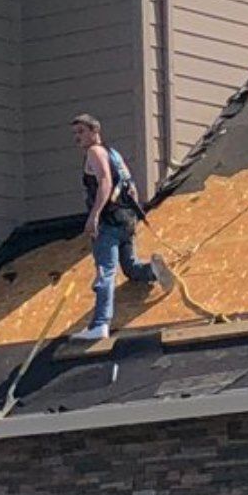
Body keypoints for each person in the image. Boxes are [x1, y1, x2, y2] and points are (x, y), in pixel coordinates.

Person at [70, 113, 173, 341]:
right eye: (75, 133)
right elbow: (131, 186)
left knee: (105, 272)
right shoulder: (114, 153)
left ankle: (100, 325)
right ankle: (152, 271)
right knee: (130, 267)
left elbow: (105, 182)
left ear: (95, 132)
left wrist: (94, 215)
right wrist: (133, 216)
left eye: (81, 132)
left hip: (108, 223)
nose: (77, 138)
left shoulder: (94, 152)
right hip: (125, 219)